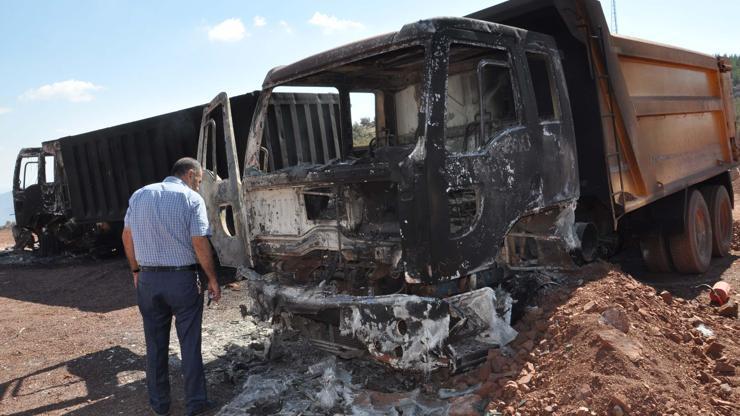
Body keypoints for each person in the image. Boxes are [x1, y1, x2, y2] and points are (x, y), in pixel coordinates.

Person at [122, 157, 222, 416]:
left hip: (148, 281)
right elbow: (199, 242)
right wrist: (212, 278)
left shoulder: (139, 195)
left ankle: (160, 405)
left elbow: (127, 236)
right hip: (182, 281)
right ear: (189, 174)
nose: (198, 187)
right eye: (199, 181)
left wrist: (135, 269)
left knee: (154, 345)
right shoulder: (191, 199)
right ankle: (196, 404)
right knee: (189, 344)